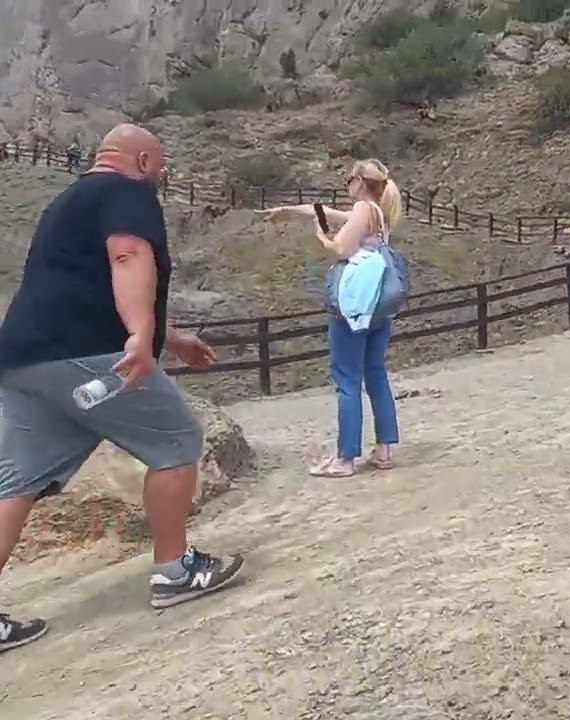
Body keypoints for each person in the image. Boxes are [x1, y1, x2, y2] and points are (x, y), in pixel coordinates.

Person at [0, 124, 245, 652]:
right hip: (89, 354)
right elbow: (128, 256)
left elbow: (81, 284)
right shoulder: (127, 192)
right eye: (160, 164)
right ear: (142, 161)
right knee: (176, 441)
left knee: (16, 481)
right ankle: (176, 571)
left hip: (23, 360)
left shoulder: (66, 201)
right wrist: (139, 333)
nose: (163, 173)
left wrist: (169, 338)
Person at [260, 160, 402, 477]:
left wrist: (322, 237)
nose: (347, 184)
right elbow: (323, 210)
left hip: (354, 307)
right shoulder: (378, 213)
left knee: (347, 379)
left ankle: (345, 457)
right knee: (375, 373)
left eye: (350, 178)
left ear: (361, 182)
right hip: (378, 306)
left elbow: (342, 249)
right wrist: (290, 211)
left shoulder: (362, 209)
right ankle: (384, 448)